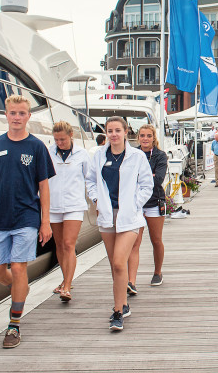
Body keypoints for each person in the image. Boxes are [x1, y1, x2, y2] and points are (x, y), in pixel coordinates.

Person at [0, 95, 55, 349]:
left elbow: (44, 187)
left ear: (28, 116)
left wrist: (45, 222)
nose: (17, 117)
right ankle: (20, 289)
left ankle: (14, 325)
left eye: (21, 113)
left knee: (18, 268)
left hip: (26, 216)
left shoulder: (36, 147)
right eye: (13, 113)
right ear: (6, 115)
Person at [86, 116, 152, 331]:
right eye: (109, 131)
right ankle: (123, 303)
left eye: (117, 130)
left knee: (118, 262)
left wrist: (135, 204)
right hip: (107, 215)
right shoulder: (98, 156)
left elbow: (146, 185)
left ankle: (117, 312)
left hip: (129, 216)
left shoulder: (137, 156)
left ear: (126, 132)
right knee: (115, 266)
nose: (113, 134)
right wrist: (96, 199)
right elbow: (90, 181)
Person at [48, 121, 91, 303]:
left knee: (68, 243)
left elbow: (90, 179)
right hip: (53, 205)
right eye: (57, 140)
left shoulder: (82, 154)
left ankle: (66, 285)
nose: (60, 143)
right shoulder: (48, 153)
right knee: (58, 245)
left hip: (74, 204)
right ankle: (65, 279)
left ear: (70, 135)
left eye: (63, 139)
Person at [128, 124, 168, 293]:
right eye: (142, 135)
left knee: (156, 240)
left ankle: (157, 272)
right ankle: (131, 281)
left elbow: (158, 179)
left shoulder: (160, 156)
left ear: (154, 138)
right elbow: (127, 178)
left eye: (148, 136)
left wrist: (142, 177)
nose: (145, 138)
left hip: (154, 202)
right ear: (138, 137)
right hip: (136, 203)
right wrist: (146, 176)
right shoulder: (132, 154)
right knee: (134, 243)